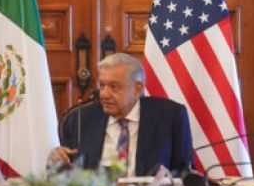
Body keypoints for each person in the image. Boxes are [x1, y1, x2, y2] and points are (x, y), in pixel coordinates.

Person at [49, 53, 193, 176]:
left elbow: (183, 172)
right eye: (102, 85)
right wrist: (56, 161)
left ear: (137, 89)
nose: (104, 94)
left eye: (114, 87)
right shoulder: (79, 119)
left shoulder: (170, 117)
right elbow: (63, 176)